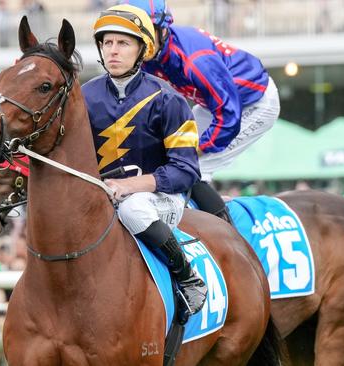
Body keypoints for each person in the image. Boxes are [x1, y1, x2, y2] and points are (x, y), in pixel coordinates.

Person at [84, 4, 207, 314]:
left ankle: (188, 277)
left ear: (142, 49)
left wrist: (133, 185)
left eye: (123, 43)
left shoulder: (168, 99)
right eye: (107, 42)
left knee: (132, 208)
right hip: (101, 196)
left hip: (160, 199)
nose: (113, 50)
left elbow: (187, 170)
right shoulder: (84, 97)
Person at [123, 0, 281, 223]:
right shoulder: (152, 55)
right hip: (213, 104)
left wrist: (198, 148)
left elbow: (229, 114)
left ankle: (229, 234)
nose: (138, 42)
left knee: (191, 168)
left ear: (162, 29)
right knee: (169, 159)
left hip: (253, 103)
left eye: (144, 33)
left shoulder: (195, 60)